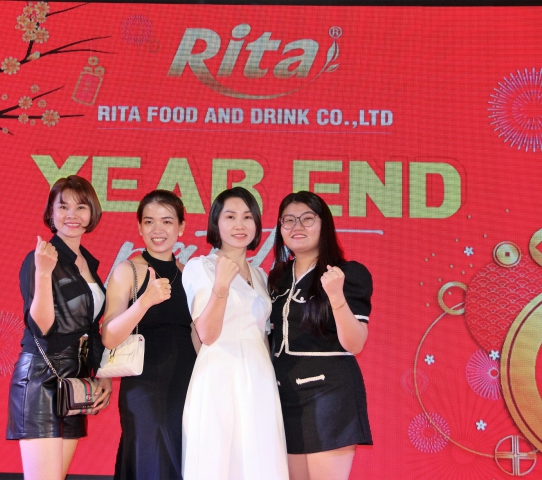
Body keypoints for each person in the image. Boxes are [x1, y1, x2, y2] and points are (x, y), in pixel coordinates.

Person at [7, 175, 112, 480]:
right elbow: (40, 327)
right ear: (51, 213)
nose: (71, 215)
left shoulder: (88, 263)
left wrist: (102, 373)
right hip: (42, 376)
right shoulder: (39, 258)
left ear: (92, 212)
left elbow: (92, 328)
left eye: (81, 207)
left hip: (74, 381)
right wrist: (43, 273)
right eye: (63, 206)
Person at [181, 186, 289, 480]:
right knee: (217, 459)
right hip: (219, 373)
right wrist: (221, 286)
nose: (240, 225)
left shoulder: (260, 275)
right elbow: (207, 334)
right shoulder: (200, 267)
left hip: (259, 374)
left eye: (247, 217)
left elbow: (262, 334)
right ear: (216, 223)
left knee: (261, 460)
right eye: (230, 216)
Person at [268, 191, 373, 480]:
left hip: (329, 394)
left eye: (307, 219)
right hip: (284, 395)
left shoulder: (347, 273)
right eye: (288, 220)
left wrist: (336, 297)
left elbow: (356, 343)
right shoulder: (277, 277)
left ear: (324, 224)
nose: (297, 227)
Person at [102, 190, 196, 480]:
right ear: (139, 227)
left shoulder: (191, 274)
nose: (158, 229)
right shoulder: (128, 270)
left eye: (167, 221)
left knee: (182, 461)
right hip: (144, 386)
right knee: (150, 460)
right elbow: (109, 337)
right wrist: (144, 302)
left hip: (188, 384)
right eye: (149, 221)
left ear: (181, 227)